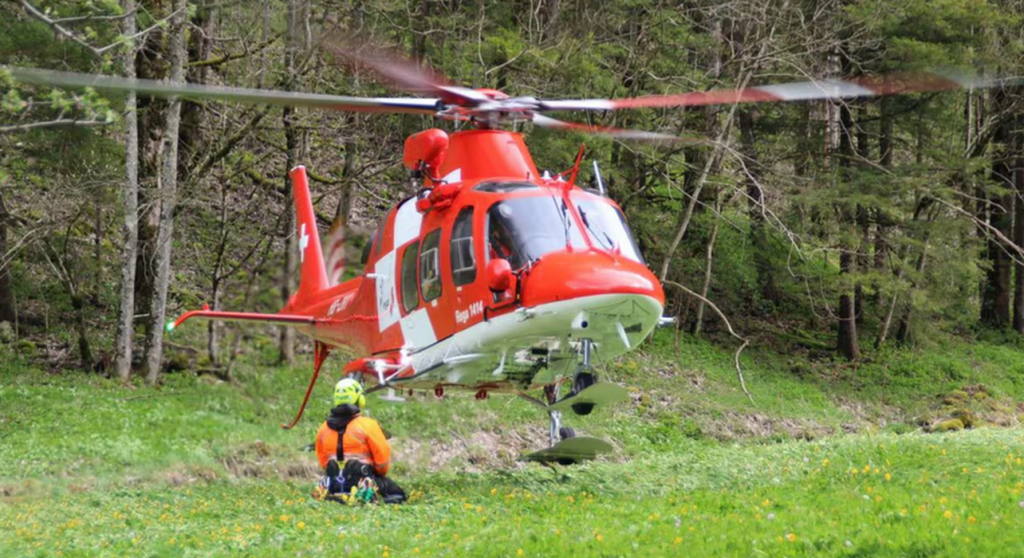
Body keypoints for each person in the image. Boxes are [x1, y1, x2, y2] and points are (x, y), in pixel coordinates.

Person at [314, 378, 406, 504]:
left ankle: (334, 496)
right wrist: (376, 474)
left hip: (334, 484)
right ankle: (364, 496)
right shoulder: (368, 425)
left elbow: (323, 462)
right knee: (398, 494)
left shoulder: (323, 428)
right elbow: (382, 462)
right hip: (362, 482)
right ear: (360, 399)